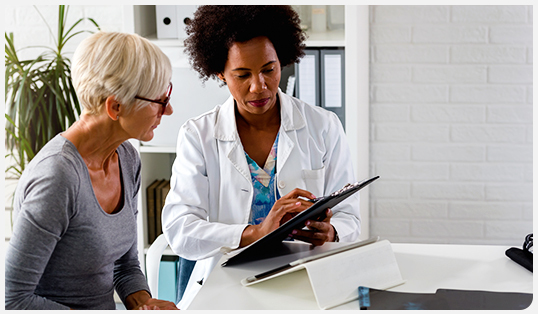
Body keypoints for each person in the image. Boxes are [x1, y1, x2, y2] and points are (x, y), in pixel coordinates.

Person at [162, 5, 361, 309]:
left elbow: (350, 216)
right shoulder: (198, 136)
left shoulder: (323, 127)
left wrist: (332, 232)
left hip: (308, 281)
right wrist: (254, 233)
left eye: (269, 69)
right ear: (220, 74)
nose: (259, 86)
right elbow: (180, 230)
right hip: (226, 286)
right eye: (242, 74)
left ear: (283, 60)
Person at [5, 32, 178, 310]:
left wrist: (145, 303)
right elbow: (13, 301)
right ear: (115, 107)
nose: (168, 110)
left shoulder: (126, 158)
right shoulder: (57, 177)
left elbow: (125, 265)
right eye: (159, 100)